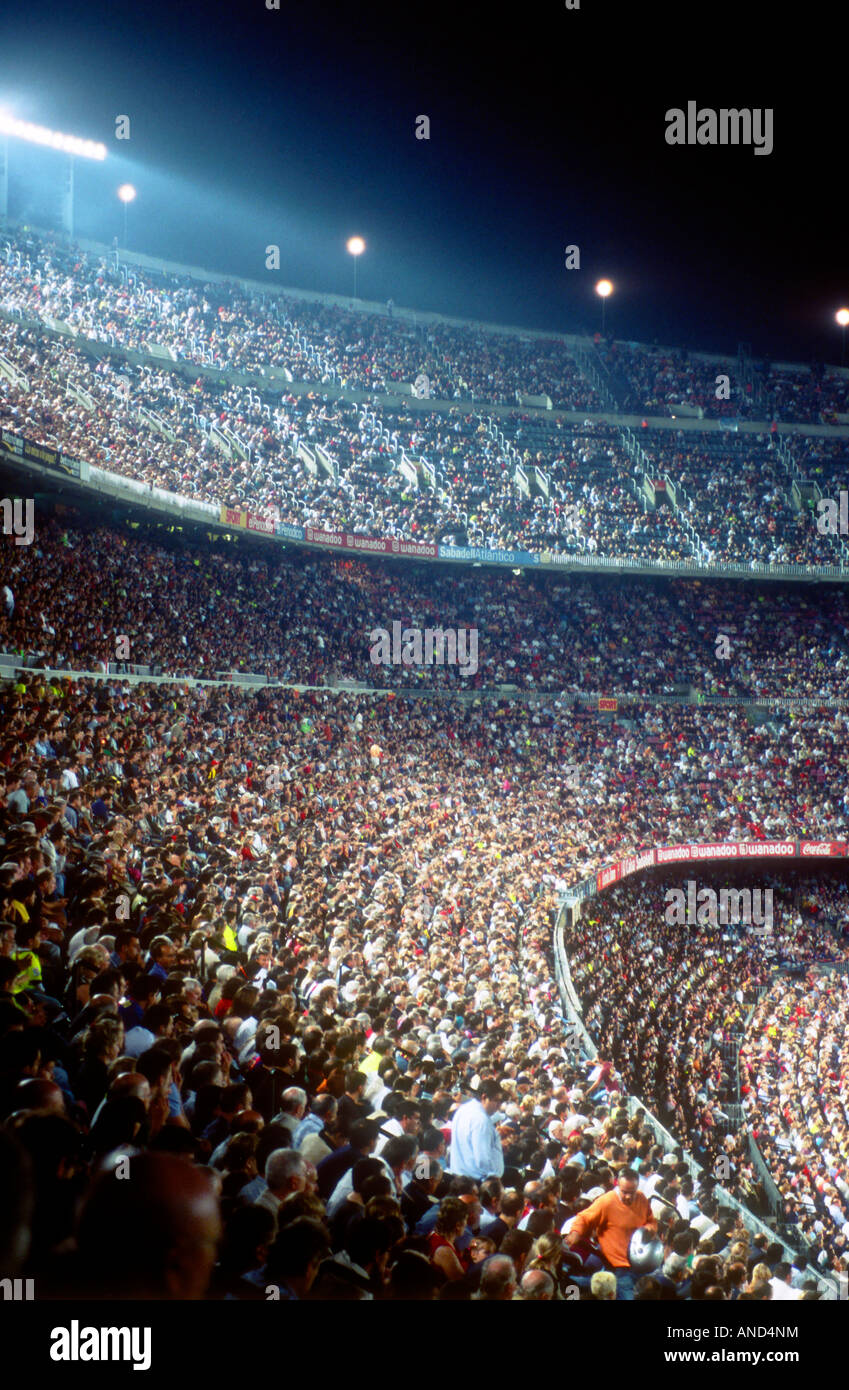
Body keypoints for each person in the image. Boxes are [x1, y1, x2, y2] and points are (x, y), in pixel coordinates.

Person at [564, 1168, 656, 1301]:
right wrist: (575, 1232)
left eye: (632, 1192)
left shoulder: (642, 1198)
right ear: (617, 1186)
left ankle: (577, 1281)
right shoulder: (606, 1201)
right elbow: (584, 1217)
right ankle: (573, 1281)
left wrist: (650, 1228)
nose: (628, 1197)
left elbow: (651, 1220)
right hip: (619, 1266)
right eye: (624, 1192)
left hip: (640, 1265)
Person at [448, 1079, 504, 1181]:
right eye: (496, 1100)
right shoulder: (481, 1119)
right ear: (484, 1097)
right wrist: (493, 1177)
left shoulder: (463, 1109)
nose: (499, 1106)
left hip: (460, 1175)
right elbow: (482, 1160)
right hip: (475, 1180)